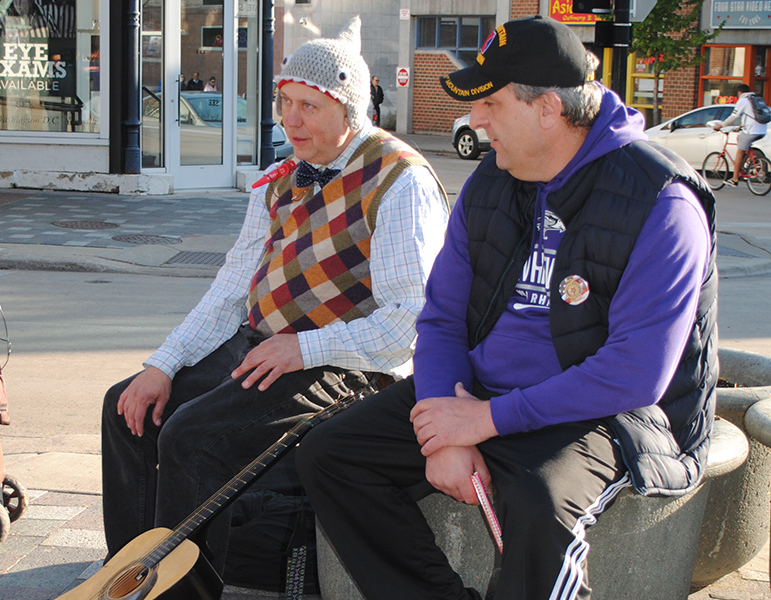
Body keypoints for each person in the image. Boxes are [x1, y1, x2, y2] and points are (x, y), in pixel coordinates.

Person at [296, 16, 718, 600]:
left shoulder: (661, 201)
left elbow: (635, 373)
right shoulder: (494, 181)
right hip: (483, 394)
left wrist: (485, 422)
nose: (474, 121)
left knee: (539, 504)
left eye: (491, 103)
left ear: (547, 107)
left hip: (606, 413)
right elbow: (442, 317)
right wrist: (447, 424)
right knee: (331, 455)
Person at [101, 15, 449, 590]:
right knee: (130, 409)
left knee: (191, 437)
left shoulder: (400, 181)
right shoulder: (279, 178)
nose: (290, 119)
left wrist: (304, 348)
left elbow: (408, 326)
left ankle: (180, 592)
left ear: (349, 108)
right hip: (266, 350)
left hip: (347, 368)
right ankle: (130, 578)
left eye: (308, 106)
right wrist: (162, 365)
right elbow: (231, 291)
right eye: (284, 101)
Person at [713, 83, 767, 186]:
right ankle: (753, 161)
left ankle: (735, 179)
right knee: (740, 138)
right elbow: (751, 115)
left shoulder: (743, 101)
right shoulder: (755, 99)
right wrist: (741, 125)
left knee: (739, 151)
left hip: (752, 131)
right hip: (762, 130)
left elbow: (734, 116)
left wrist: (721, 125)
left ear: (739, 92)